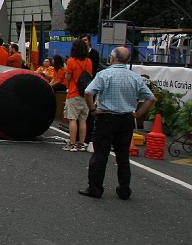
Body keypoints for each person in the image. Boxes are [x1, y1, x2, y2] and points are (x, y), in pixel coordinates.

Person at [79, 46, 155, 199]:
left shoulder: (104, 74)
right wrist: (138, 113)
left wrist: (93, 109)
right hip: (126, 119)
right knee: (122, 156)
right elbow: (151, 98)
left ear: (112, 58)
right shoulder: (134, 77)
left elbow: (88, 92)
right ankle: (124, 189)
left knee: (100, 155)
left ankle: (95, 188)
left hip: (106, 116)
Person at [63, 39, 93, 151]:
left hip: (74, 93)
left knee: (72, 119)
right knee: (83, 120)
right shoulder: (89, 61)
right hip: (85, 94)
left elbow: (68, 78)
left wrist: (66, 71)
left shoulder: (71, 61)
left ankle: (72, 144)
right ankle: (81, 143)